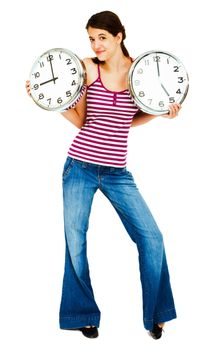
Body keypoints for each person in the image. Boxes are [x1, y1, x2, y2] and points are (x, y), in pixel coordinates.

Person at [26, 10, 181, 340]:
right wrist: (48, 99)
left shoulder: (139, 69)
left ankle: (157, 314)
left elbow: (131, 118)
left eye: (102, 38)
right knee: (76, 242)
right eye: (91, 38)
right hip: (79, 167)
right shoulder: (87, 67)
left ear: (119, 37)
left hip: (117, 173)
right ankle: (83, 315)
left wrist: (159, 115)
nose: (96, 44)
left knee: (152, 237)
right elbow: (82, 121)